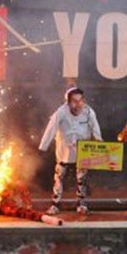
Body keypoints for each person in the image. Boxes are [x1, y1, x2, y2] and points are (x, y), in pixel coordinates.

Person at [38, 87, 102, 216]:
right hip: (64, 149)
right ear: (68, 102)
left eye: (80, 101)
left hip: (83, 149)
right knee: (59, 177)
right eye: (74, 101)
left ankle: (81, 204)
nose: (78, 104)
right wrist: (43, 147)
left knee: (82, 179)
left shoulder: (89, 112)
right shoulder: (60, 113)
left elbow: (95, 128)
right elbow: (51, 129)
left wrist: (99, 142)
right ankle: (55, 204)